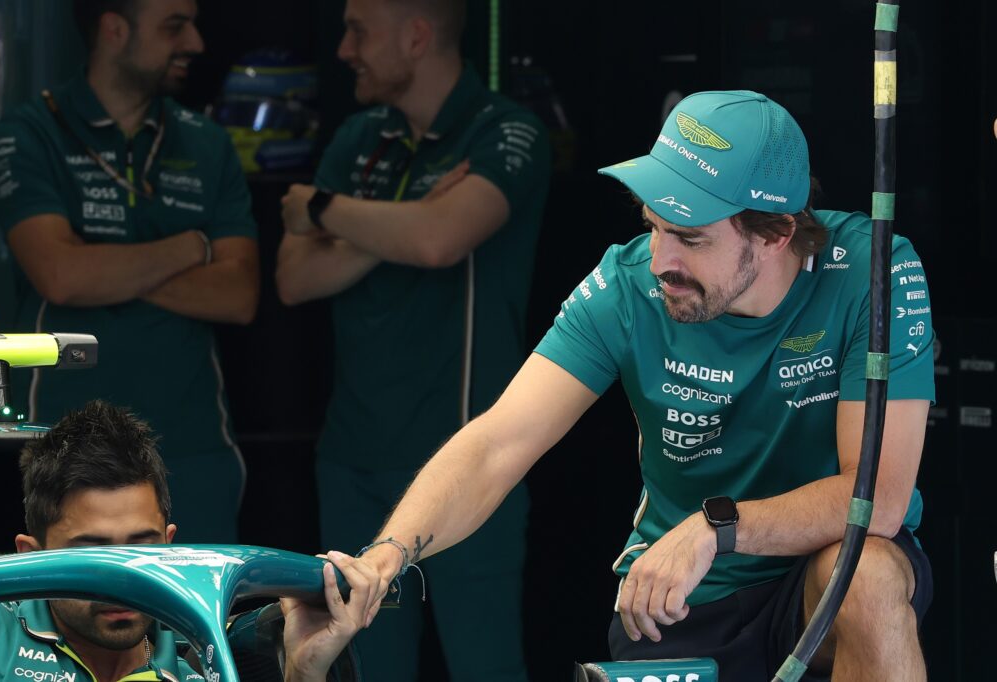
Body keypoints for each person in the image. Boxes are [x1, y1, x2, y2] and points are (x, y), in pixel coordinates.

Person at [349, 90, 935, 681]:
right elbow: (497, 444)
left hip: (809, 574)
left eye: (691, 238)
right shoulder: (625, 286)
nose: (660, 262)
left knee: (868, 575)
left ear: (775, 233)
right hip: (679, 595)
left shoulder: (872, 269)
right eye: (654, 227)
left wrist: (717, 527)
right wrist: (387, 556)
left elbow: (877, 499)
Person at [276, 1, 550, 680]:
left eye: (359, 31)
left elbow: (440, 242)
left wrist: (324, 210)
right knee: (364, 670)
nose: (344, 50)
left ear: (417, 35)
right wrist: (414, 219)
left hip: (469, 464)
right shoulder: (359, 136)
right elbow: (295, 277)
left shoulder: (505, 130)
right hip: (354, 457)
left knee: (486, 668)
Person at [0, 0, 259, 542]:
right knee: (66, 599)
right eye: (174, 26)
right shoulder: (29, 131)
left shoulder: (207, 142)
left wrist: (106, 264)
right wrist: (189, 247)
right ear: (114, 29)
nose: (195, 43)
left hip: (194, 446)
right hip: (61, 451)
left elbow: (238, 294)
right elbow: (62, 275)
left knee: (198, 602)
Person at [0, 401, 371, 682]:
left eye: (141, 547)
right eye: (93, 554)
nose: (122, 580)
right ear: (30, 556)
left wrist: (303, 674)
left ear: (170, 545)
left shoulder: (207, 659)